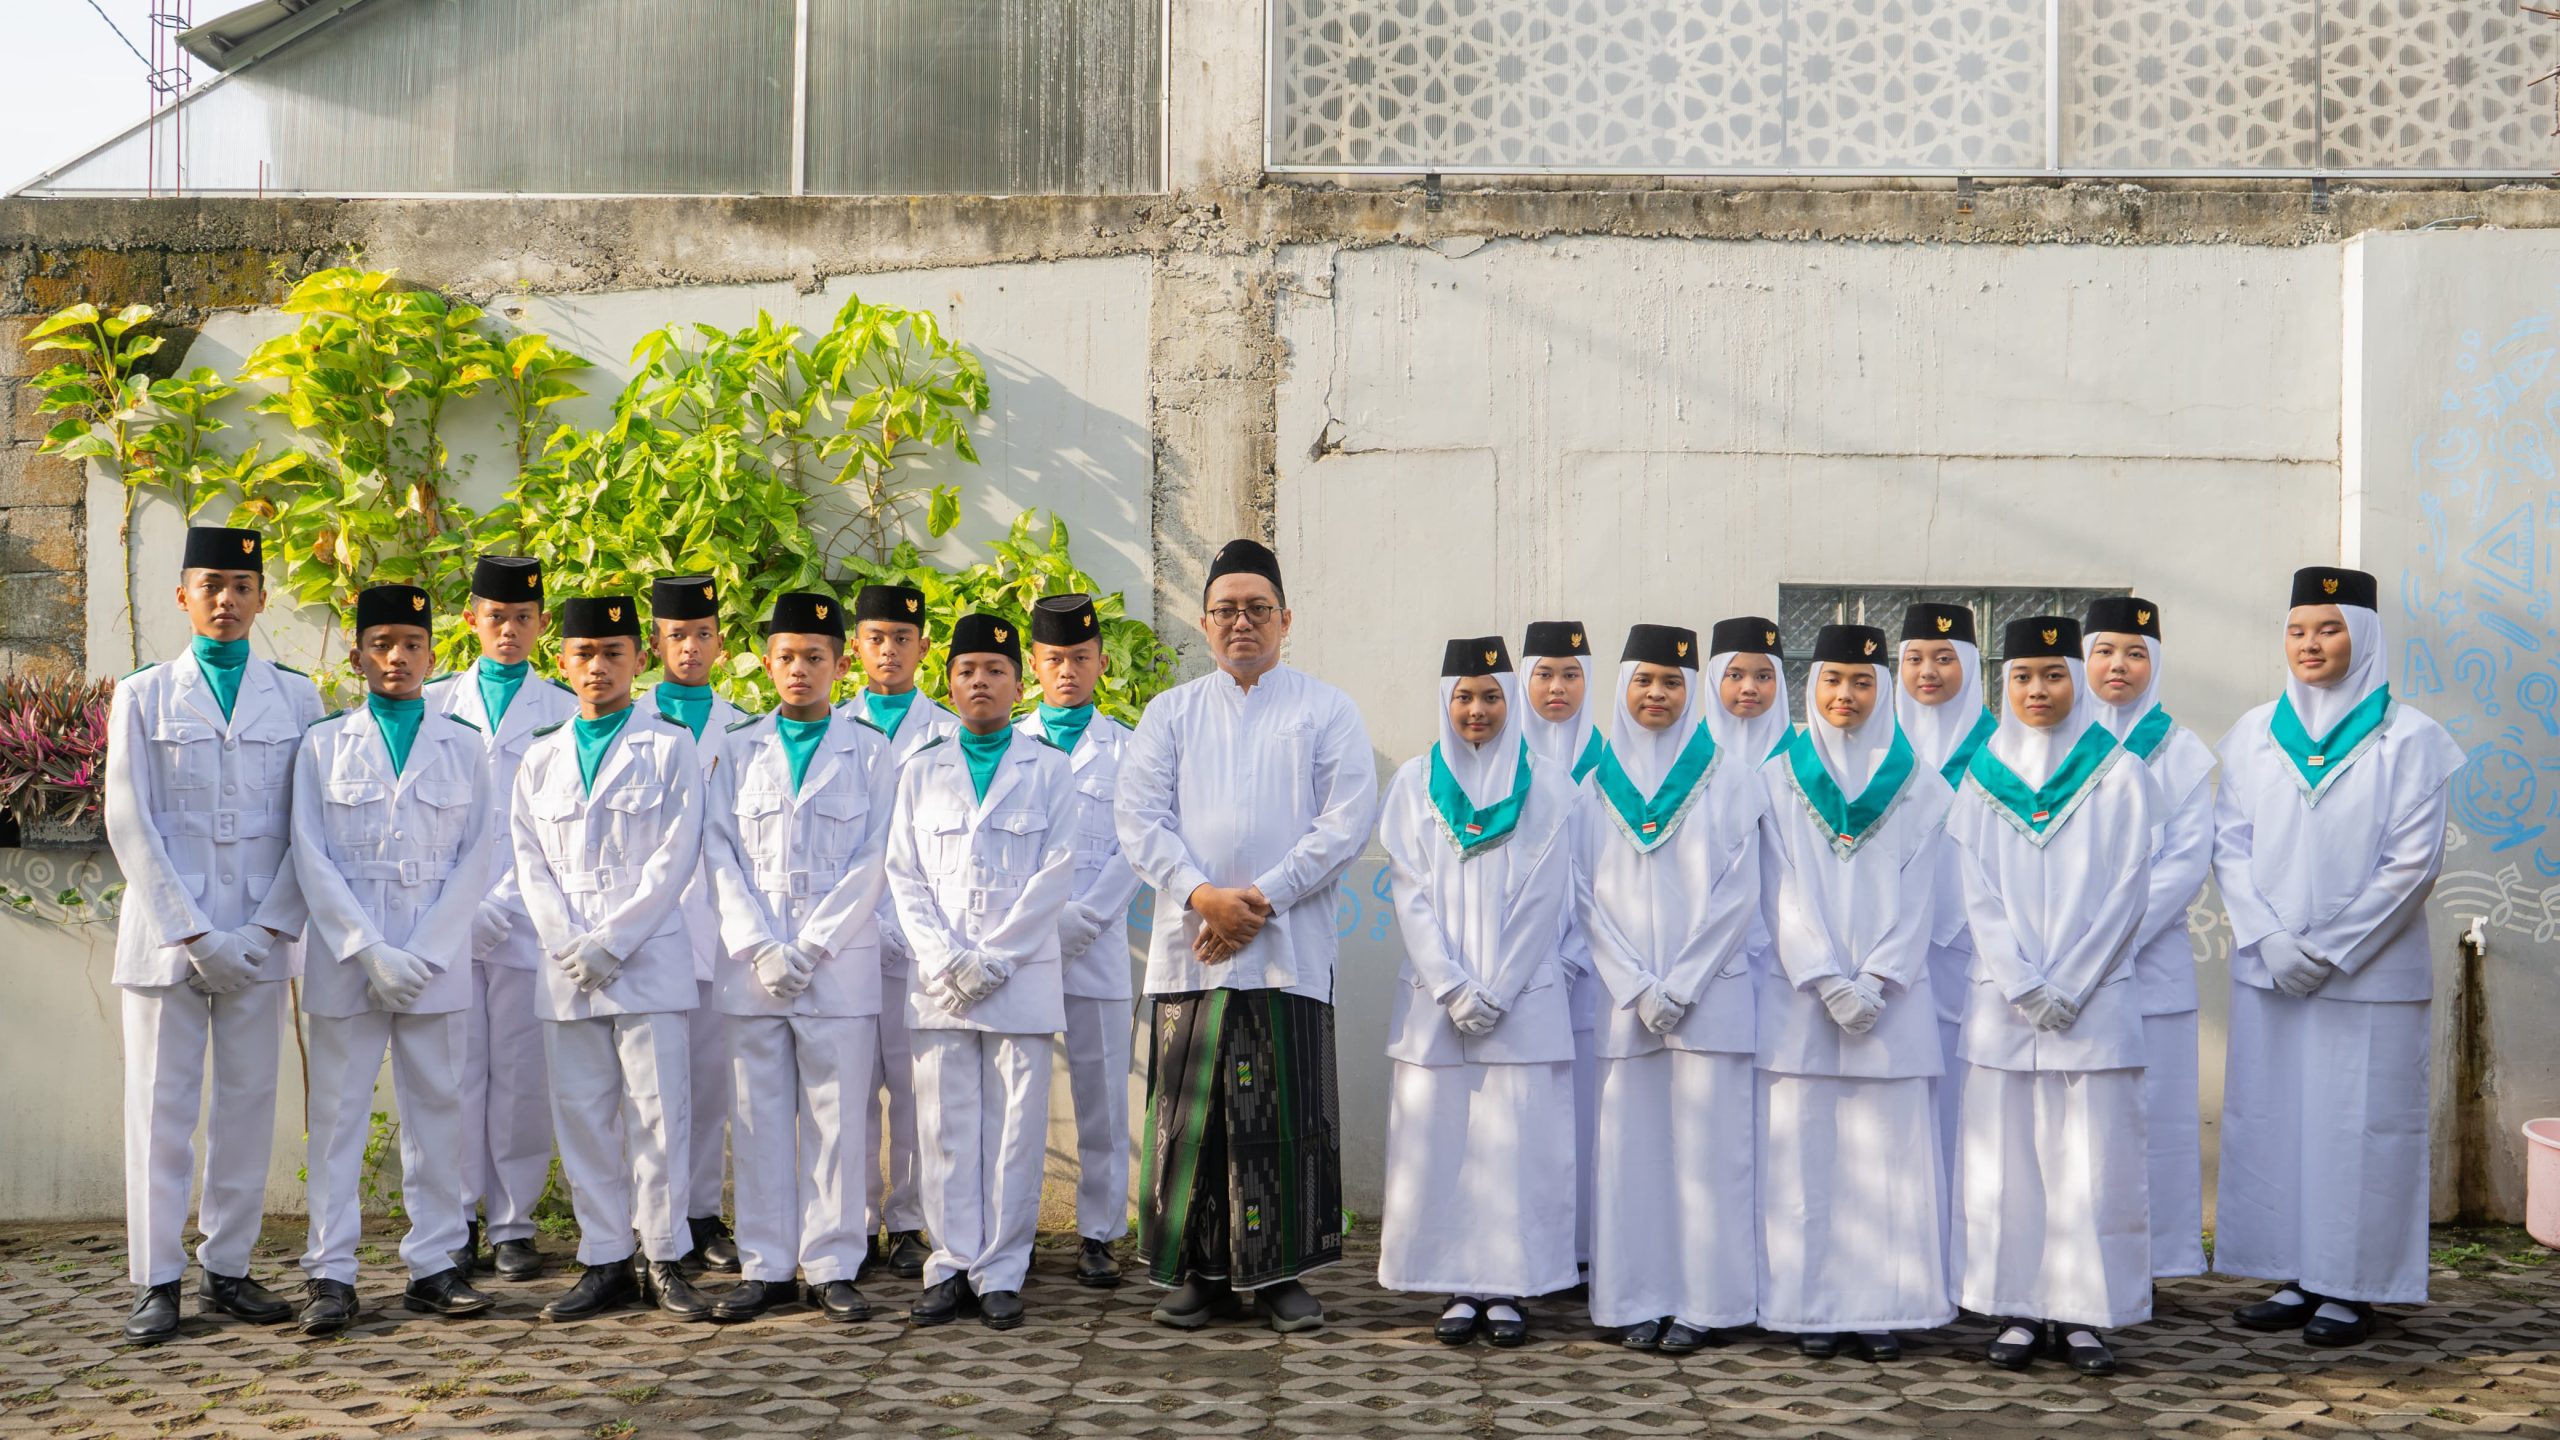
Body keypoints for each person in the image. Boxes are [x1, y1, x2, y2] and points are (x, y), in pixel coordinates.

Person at [1117, 537, 1379, 1333]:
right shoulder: (1171, 714)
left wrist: (1254, 902)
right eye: (1226, 609)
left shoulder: (1325, 709)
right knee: (1193, 1119)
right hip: (1190, 954)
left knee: (1281, 1120)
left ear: (1285, 619)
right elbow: (1138, 818)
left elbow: (1345, 823)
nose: (1242, 622)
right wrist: (1204, 897)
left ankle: (1279, 1278)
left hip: (1285, 953)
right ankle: (1200, 1275)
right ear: (1204, 623)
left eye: (1257, 609)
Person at [2212, 567, 2463, 1347]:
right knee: (2281, 1123)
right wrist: (2273, 940)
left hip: (2369, 978)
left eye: (2328, 628)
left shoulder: (2411, 738)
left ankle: (2353, 1289)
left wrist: (2328, 948)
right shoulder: (2254, 733)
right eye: (2297, 630)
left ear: (2365, 636)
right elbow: (2232, 845)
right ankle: (2294, 1273)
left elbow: (2412, 864)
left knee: (2361, 1129)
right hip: (2273, 972)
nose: (2310, 644)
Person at [105, 524, 323, 1344]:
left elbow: (310, 826)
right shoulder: (143, 693)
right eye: (210, 585)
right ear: (182, 596)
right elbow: (128, 819)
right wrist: (195, 934)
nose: (226, 600)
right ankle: (157, 1278)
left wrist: (267, 928)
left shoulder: (299, 698)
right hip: (170, 944)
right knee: (161, 1111)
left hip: (260, 943)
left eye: (241, 586)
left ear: (262, 598)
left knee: (246, 1108)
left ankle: (227, 1267)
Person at [1945, 616, 2157, 1375]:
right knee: (2009, 1167)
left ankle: (2085, 1316)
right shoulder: (1981, 776)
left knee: (2090, 1163)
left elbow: (2130, 890)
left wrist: (2069, 982)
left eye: (2054, 675)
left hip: (2092, 1005)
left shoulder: (2121, 773)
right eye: (2025, 677)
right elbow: (1977, 892)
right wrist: (2023, 980)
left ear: (2078, 680)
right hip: (2006, 1004)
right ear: (2006, 685)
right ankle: (2018, 1309)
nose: (2039, 691)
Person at [288, 584, 497, 1334]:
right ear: (358, 657)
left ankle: (436, 1265)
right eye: (382, 643)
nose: (397, 656)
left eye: (411, 643)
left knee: (438, 1114)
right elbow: (309, 855)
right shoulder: (321, 744)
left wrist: (428, 948)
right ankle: (331, 1274)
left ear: (434, 654)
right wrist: (368, 948)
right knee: (337, 1119)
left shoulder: (465, 745)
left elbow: (481, 855)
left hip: (433, 959)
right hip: (350, 960)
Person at [1754, 624, 1956, 1362]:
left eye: (1864, 682)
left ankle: (1882, 1305)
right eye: (1835, 680)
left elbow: (1922, 895)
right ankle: (1809, 1305)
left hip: (1890, 1007)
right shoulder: (1775, 781)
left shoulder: (1922, 783)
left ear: (1884, 691)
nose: (1847, 695)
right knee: (1805, 1160)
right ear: (1813, 687)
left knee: (1887, 1161)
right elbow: (1775, 892)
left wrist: (1875, 978)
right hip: (1803, 1003)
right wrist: (1822, 977)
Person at [510, 595, 712, 1323]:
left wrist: (613, 941)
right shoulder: (539, 757)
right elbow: (528, 860)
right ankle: (602, 1258)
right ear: (559, 662)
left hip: (646, 961)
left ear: (640, 660)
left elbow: (676, 855)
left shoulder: (671, 746)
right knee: (584, 1115)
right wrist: (569, 942)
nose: (598, 667)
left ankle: (662, 1254)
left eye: (613, 653)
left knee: (660, 1113)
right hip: (566, 969)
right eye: (584, 654)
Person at [702, 592, 899, 1325]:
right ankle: (766, 1265)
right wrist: (758, 944)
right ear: (766, 661)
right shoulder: (739, 746)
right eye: (786, 656)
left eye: (815, 657)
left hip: (834, 966)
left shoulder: (871, 753)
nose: (799, 670)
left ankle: (833, 1262)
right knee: (756, 1120)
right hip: (754, 971)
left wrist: (811, 945)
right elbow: (716, 850)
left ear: (841, 665)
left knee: (837, 1120)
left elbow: (875, 859)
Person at [1376, 637, 1579, 1347]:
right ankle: (1458, 1286)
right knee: (1447, 1144)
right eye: (1464, 696)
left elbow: (1546, 900)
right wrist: (1454, 987)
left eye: (1491, 695)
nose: (1477, 709)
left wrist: (1497, 988)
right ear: (1445, 702)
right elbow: (1411, 896)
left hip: (1521, 1002)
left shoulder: (1551, 786)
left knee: (1515, 1145)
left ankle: (1512, 1287)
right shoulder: (1411, 785)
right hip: (1440, 1007)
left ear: (1510, 701)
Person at [1579, 623, 1770, 1353]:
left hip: (1709, 1003)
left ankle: (1709, 1305)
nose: (1656, 695)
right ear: (1624, 688)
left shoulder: (1729, 777)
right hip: (1630, 1009)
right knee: (1634, 1157)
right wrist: (1636, 985)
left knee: (1710, 1156)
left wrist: (1681, 984)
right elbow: (1583, 898)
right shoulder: (1596, 787)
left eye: (1670, 682)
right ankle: (1635, 1297)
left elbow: (1739, 894)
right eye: (1643, 681)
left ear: (1691, 692)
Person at [887, 613, 1077, 1330]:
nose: (980, 682)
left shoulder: (1049, 769)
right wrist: (944, 958)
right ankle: (950, 1264)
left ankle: (1002, 1269)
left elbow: (1055, 872)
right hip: (940, 986)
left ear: (1018, 683)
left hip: (1019, 981)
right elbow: (903, 875)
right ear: (950, 681)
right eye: (967, 671)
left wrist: (996, 958)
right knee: (943, 1127)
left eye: (995, 671)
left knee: (1014, 1130)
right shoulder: (920, 769)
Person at [425, 554, 578, 1282]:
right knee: (452, 1071)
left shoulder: (566, 710)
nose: (509, 630)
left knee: (519, 1075)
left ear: (542, 624)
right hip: (445, 921)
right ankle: (454, 1216)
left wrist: (506, 903)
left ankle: (514, 1221)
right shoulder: (429, 703)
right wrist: (461, 907)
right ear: (470, 621)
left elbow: (562, 829)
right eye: (496, 618)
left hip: (526, 921)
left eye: (523, 618)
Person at [2082, 596, 2217, 1281]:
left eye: (2135, 653)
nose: (2118, 666)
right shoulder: (2053, 747)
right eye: (2104, 650)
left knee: (2155, 1121)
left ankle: (2157, 1262)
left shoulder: (2182, 752)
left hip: (2148, 968)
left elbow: (2187, 862)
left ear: (2155, 663)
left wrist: (2110, 939)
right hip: (2069, 975)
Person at [1020, 592, 1144, 1288]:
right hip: (1025, 951)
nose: (1067, 670)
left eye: (1080, 658)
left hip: (1095, 949)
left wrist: (1086, 920)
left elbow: (1138, 845)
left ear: (1101, 662)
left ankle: (1098, 1233)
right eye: (1054, 659)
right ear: (1035, 665)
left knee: (1101, 1093)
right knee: (1020, 1097)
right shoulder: (1006, 744)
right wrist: (1042, 926)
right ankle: (1017, 1227)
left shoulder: (1125, 749)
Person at [838, 581, 961, 1281]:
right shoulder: (834, 724)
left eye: (903, 639)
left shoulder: (947, 731)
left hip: (921, 945)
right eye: (876, 638)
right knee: (851, 1089)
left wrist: (911, 929)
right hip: (847, 944)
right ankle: (853, 1223)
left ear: (923, 647)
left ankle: (910, 1222)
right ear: (855, 646)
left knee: (918, 1093)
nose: (889, 651)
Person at [649, 574, 751, 1277]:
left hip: (716, 927)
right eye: (676, 635)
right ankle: (647, 1219)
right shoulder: (627, 717)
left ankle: (701, 1213)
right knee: (647, 1087)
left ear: (721, 640)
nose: (690, 647)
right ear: (656, 641)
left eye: (703, 634)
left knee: (711, 1081)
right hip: (645, 928)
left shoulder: (743, 727)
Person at [1894, 602, 1995, 1203]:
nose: (1927, 671)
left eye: (1943, 658)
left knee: (1967, 1092)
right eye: (1914, 659)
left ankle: (1965, 1237)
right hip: (1893, 948)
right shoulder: (1876, 745)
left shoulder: (2003, 748)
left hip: (1974, 946)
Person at [1518, 620, 1603, 1281]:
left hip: (1599, 966)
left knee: (1592, 1107)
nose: (1556, 687)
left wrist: (1579, 949)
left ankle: (1587, 1246)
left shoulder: (1614, 761)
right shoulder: (1498, 761)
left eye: (1570, 674)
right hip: (1521, 973)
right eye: (1544, 673)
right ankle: (1532, 1250)